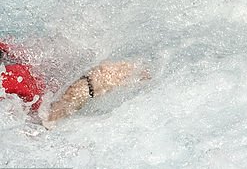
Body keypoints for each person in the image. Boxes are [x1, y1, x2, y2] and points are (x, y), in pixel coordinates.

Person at [0, 40, 145, 127]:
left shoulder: (12, 81)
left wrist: (87, 86)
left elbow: (46, 119)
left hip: (51, 87)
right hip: (38, 66)